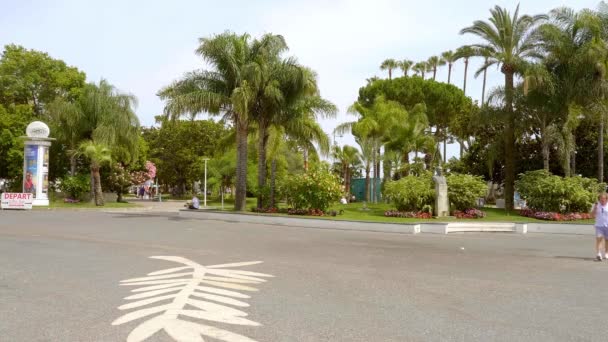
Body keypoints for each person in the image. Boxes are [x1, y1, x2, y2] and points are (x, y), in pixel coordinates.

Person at [590, 193, 608, 261]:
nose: (602, 200)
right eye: (601, 199)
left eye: (604, 199)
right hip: (599, 225)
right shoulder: (596, 205)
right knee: (599, 239)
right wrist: (595, 208)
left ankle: (606, 253)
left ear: (606, 199)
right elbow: (591, 215)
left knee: (607, 240)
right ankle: (599, 254)